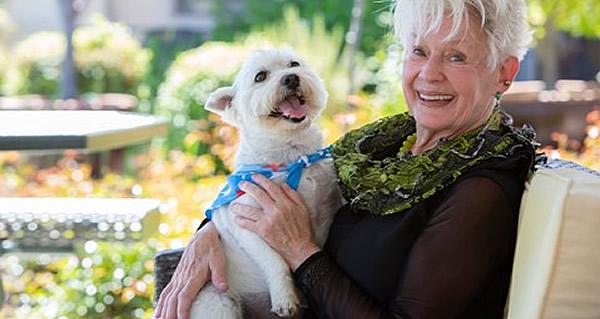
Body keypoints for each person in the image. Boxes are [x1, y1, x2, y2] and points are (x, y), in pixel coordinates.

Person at [155, 0, 540, 318]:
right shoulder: (383, 146)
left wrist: (300, 252)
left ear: (504, 73)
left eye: (456, 57)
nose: (430, 74)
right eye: (419, 51)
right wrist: (208, 233)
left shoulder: (479, 190)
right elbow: (267, 185)